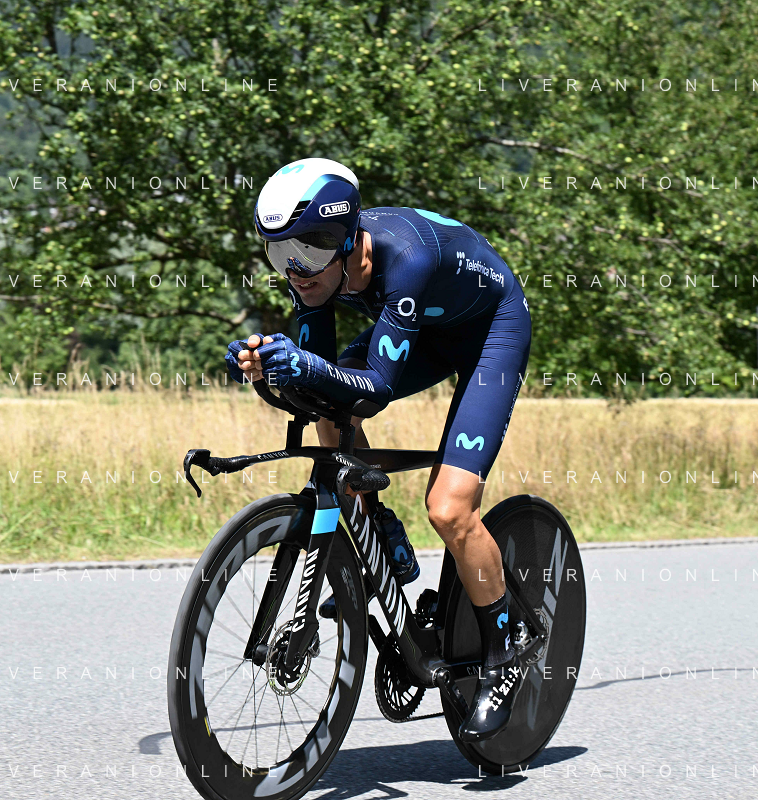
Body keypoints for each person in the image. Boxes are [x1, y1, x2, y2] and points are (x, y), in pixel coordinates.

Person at [224, 157, 530, 742]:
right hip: (427, 332)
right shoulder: (314, 270)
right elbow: (320, 385)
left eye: (307, 251)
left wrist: (304, 364)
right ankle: (378, 533)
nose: (295, 270)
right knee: (326, 404)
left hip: (491, 332)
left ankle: (506, 648)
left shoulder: (406, 258)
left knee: (449, 509)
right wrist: (265, 366)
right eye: (278, 253)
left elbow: (378, 388)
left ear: (345, 239)